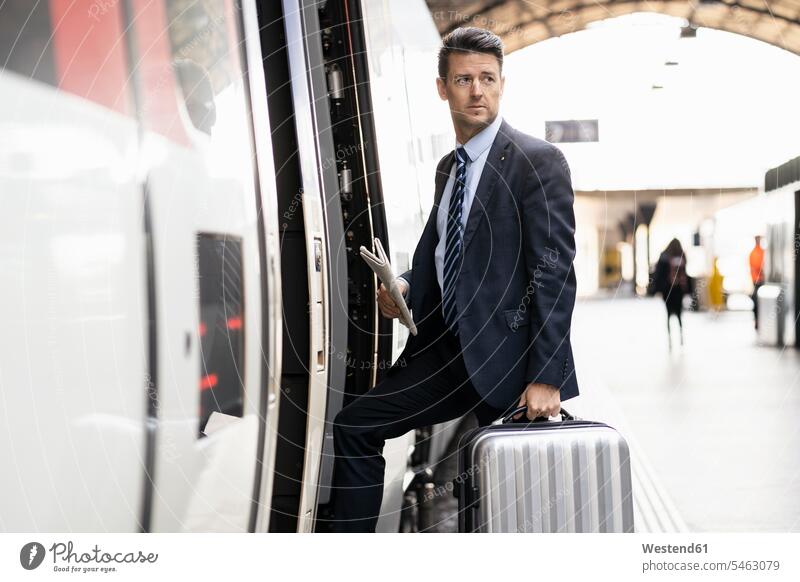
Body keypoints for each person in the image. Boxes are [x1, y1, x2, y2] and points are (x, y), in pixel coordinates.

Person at [331, 27, 579, 532]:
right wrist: (402, 285)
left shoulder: (537, 161)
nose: (477, 90)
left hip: (508, 358)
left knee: (508, 496)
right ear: (442, 88)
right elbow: (441, 250)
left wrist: (546, 375)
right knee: (356, 426)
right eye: (464, 79)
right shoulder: (450, 168)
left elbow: (554, 272)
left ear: (502, 84)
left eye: (487, 78)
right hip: (447, 349)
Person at [652, 238, 691, 349]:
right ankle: (681, 336)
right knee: (679, 314)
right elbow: (686, 275)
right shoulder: (682, 256)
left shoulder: (664, 256)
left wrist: (657, 290)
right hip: (678, 290)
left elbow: (658, 274)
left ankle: (670, 338)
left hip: (667, 290)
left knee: (668, 315)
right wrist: (687, 291)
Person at [749, 235, 765, 329]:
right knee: (756, 301)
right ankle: (757, 320)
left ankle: (760, 320)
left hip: (762, 280)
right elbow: (755, 267)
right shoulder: (753, 253)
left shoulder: (762, 252)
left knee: (759, 302)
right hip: (756, 281)